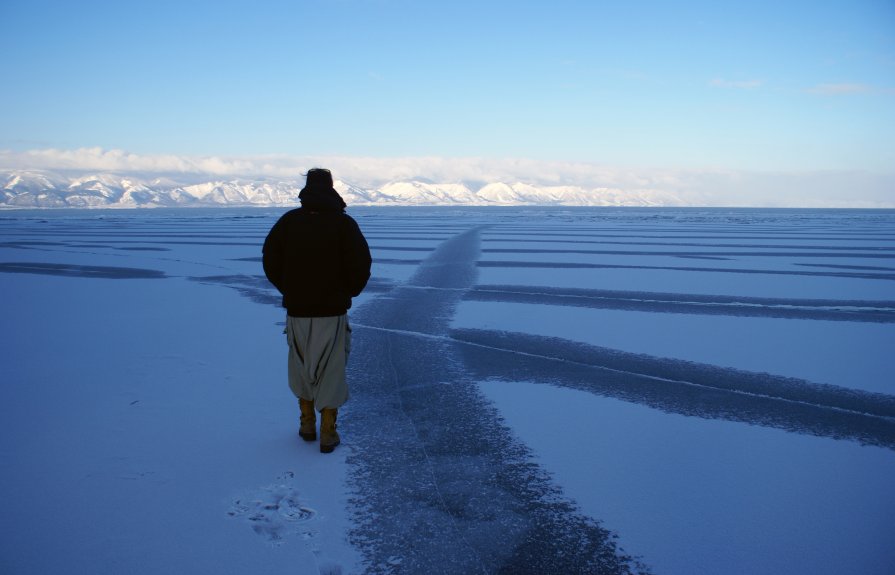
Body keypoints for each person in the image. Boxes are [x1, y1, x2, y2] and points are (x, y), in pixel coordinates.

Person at [262, 168, 371, 453]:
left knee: (301, 366)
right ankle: (327, 431)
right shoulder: (343, 224)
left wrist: (289, 288)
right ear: (331, 188)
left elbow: (270, 259)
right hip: (332, 312)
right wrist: (347, 292)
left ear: (306, 189)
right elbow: (361, 263)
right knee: (331, 368)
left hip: (297, 310)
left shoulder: (289, 222)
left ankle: (307, 423)